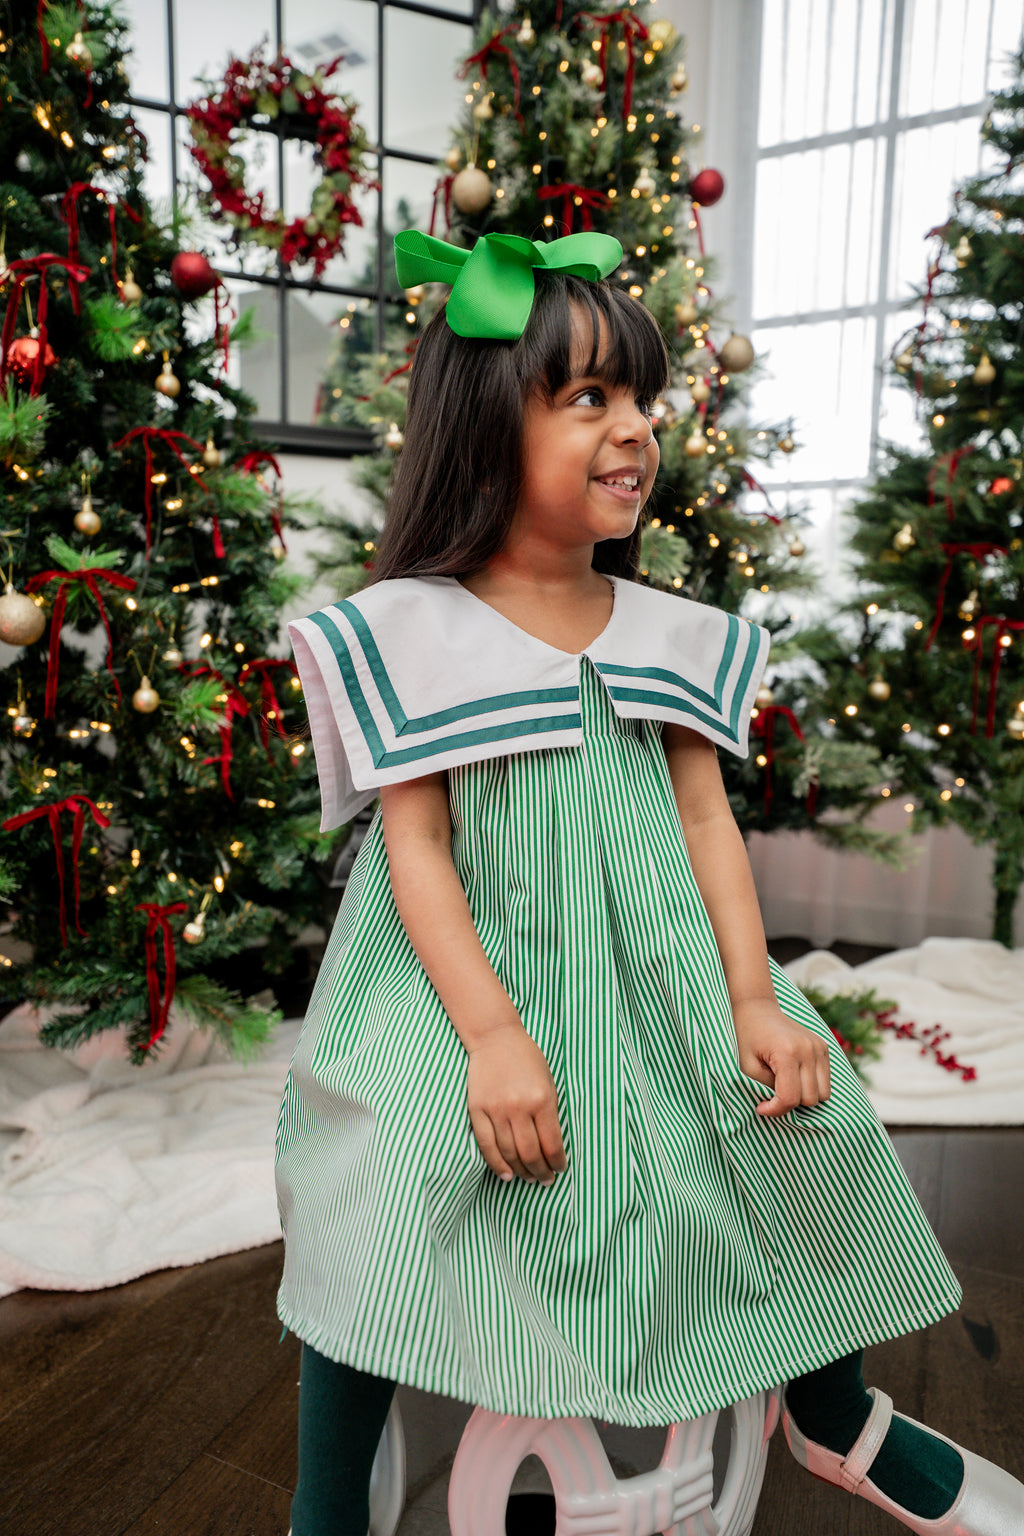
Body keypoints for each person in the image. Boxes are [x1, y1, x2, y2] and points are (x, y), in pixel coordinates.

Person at [276, 229, 1023, 1536]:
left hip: (653, 971)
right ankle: (326, 1498)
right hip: (466, 986)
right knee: (383, 1175)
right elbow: (419, 851)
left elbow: (703, 817)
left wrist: (752, 994)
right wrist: (494, 1037)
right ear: (482, 422)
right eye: (588, 399)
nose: (634, 430)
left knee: (806, 1109)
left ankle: (832, 1411)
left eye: (643, 400)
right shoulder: (413, 628)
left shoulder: (669, 634)